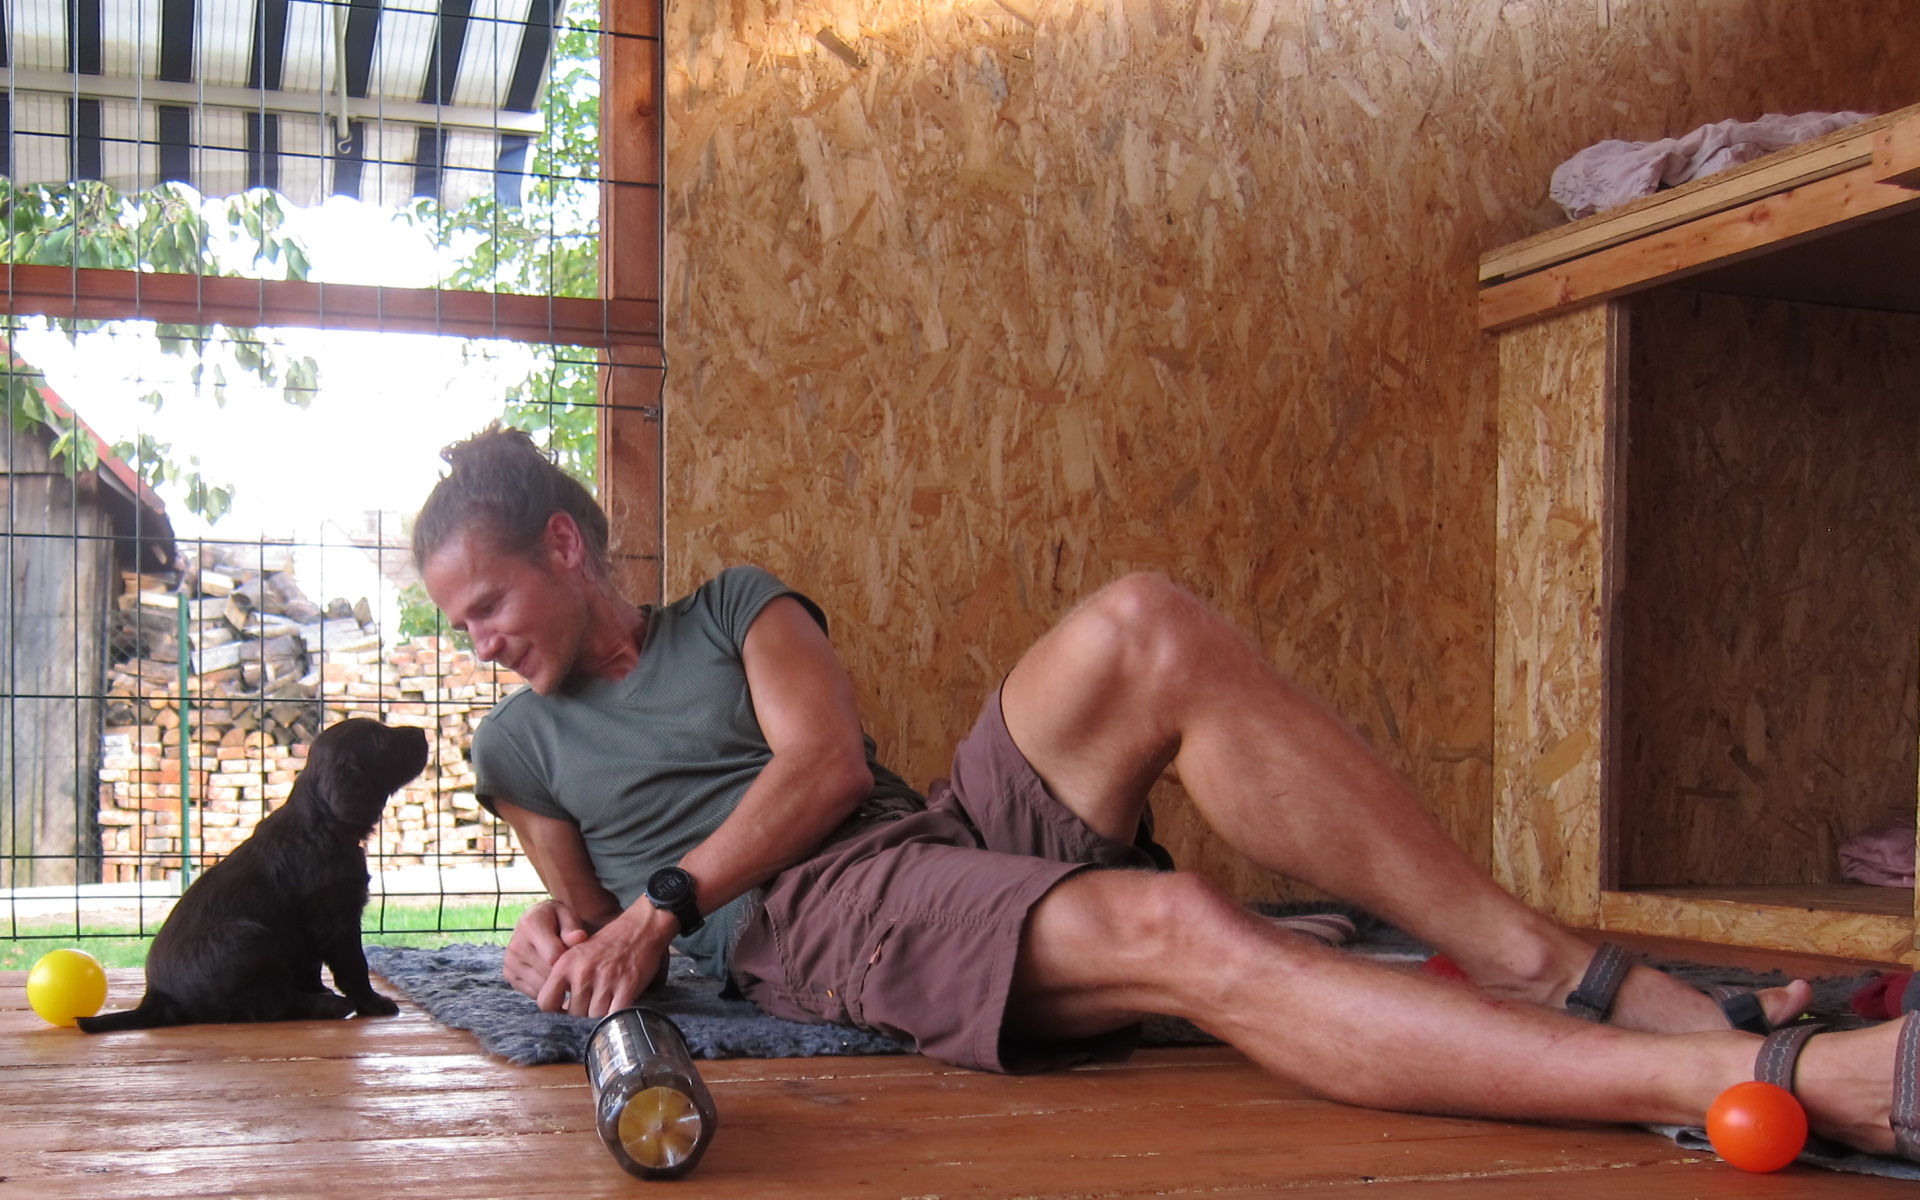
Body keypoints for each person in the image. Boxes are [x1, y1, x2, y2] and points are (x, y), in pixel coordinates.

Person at [414, 424, 1911, 1159]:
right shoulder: (519, 750)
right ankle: (1747, 1083)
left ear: (565, 548)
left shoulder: (738, 608)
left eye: (485, 605)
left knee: (1146, 623)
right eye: (458, 625)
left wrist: (654, 901)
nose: (477, 643)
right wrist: (557, 943)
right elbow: (593, 928)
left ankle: (1553, 965)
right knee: (1183, 926)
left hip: (911, 830)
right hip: (812, 920)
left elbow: (823, 769)